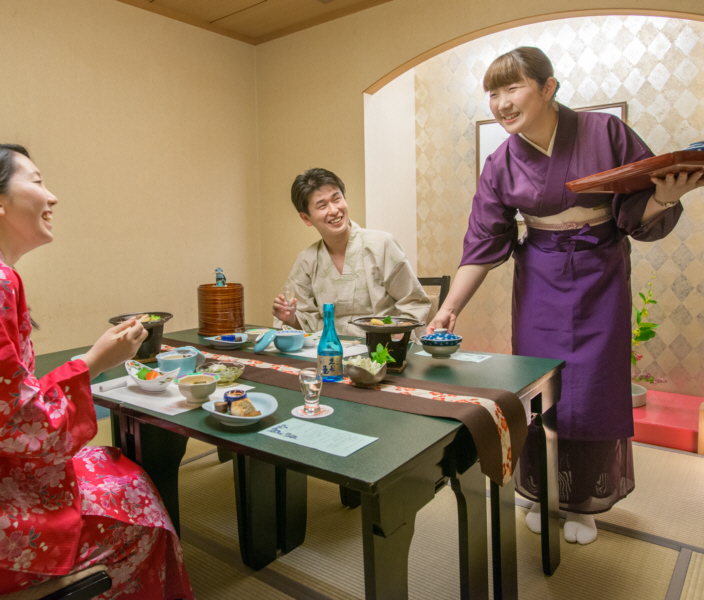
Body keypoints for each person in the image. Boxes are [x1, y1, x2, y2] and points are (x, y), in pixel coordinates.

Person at [426, 47, 703, 545]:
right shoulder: (500, 162)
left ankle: (583, 502)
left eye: (513, 88)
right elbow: (484, 244)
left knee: (594, 385)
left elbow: (638, 209)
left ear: (548, 88)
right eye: (493, 92)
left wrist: (665, 196)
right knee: (539, 387)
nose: (501, 102)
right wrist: (449, 308)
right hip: (541, 278)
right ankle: (540, 490)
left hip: (601, 271)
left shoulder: (605, 133)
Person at [0, 143, 194, 599]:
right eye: (37, 182)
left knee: (114, 464)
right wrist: (94, 362)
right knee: (143, 517)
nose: (52, 197)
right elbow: (17, 424)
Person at [272, 168, 430, 336]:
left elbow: (414, 303)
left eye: (337, 199)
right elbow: (303, 321)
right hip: (330, 353)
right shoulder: (307, 260)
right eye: (322, 205)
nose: (333, 210)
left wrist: (397, 342)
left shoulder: (381, 245)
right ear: (306, 218)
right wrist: (289, 318)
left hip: (382, 352)